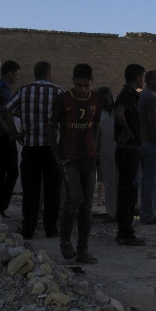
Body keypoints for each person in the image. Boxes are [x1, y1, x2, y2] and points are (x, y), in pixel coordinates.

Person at [6, 61, 63, 239]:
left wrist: (16, 133)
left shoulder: (24, 90)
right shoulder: (57, 91)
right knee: (52, 190)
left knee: (30, 191)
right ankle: (51, 228)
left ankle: (29, 228)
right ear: (48, 73)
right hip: (51, 148)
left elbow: (6, 110)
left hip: (30, 147)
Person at [56, 64, 102, 264]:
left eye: (86, 85)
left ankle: (83, 249)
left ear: (91, 82)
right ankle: (65, 242)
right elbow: (52, 126)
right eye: (79, 85)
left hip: (89, 158)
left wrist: (93, 147)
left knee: (86, 207)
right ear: (73, 82)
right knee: (74, 199)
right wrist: (56, 153)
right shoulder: (63, 99)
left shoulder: (96, 100)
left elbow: (96, 126)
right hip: (69, 157)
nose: (83, 89)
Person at [113, 64, 146, 246]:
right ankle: (125, 232)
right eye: (142, 77)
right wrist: (127, 130)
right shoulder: (127, 94)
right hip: (128, 150)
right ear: (138, 78)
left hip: (129, 150)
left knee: (127, 190)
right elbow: (119, 114)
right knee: (128, 191)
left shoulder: (129, 94)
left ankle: (125, 230)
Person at [0, 60, 20, 217]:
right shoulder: (1, 90)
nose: (17, 77)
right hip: (3, 138)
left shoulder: (0, 88)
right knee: (10, 173)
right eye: (17, 74)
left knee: (1, 174)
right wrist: (10, 131)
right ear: (10, 73)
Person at [138, 70, 156, 225]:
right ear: (149, 80)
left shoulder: (145, 96)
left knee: (147, 180)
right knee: (151, 180)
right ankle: (148, 214)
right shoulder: (150, 97)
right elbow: (153, 124)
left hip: (144, 143)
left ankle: (147, 212)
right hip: (150, 144)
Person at [96, 86, 117, 221]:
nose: (104, 103)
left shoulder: (120, 109)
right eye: (101, 101)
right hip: (105, 153)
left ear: (111, 97)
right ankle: (111, 212)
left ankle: (122, 211)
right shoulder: (98, 113)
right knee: (108, 184)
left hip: (121, 151)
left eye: (106, 100)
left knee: (120, 183)